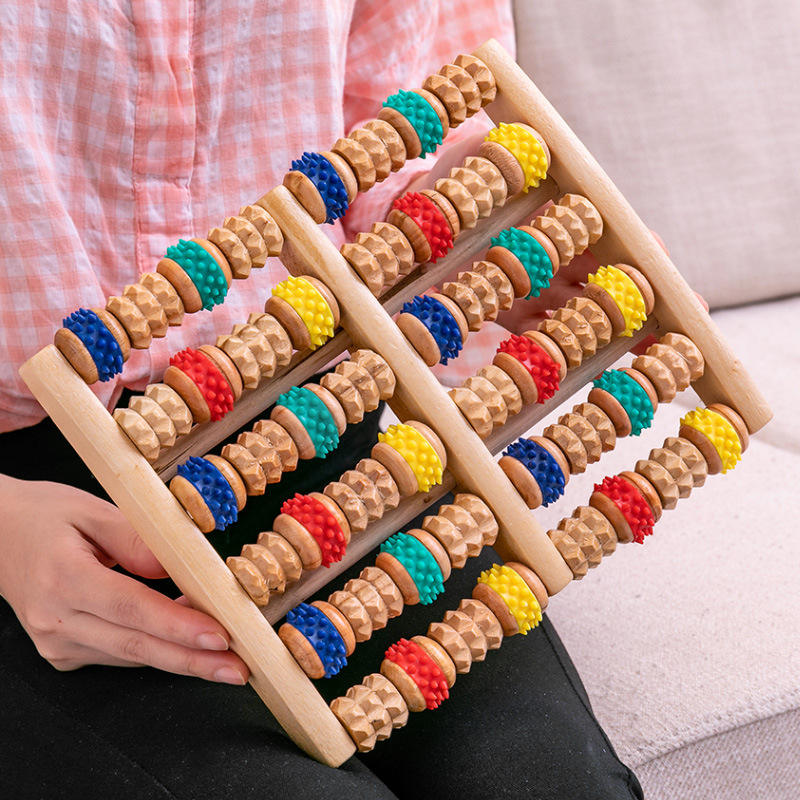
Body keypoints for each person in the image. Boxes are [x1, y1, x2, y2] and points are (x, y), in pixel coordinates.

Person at [0, 2, 643, 797]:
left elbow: (392, 141)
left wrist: (486, 242)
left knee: (549, 784)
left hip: (325, 429)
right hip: (41, 512)